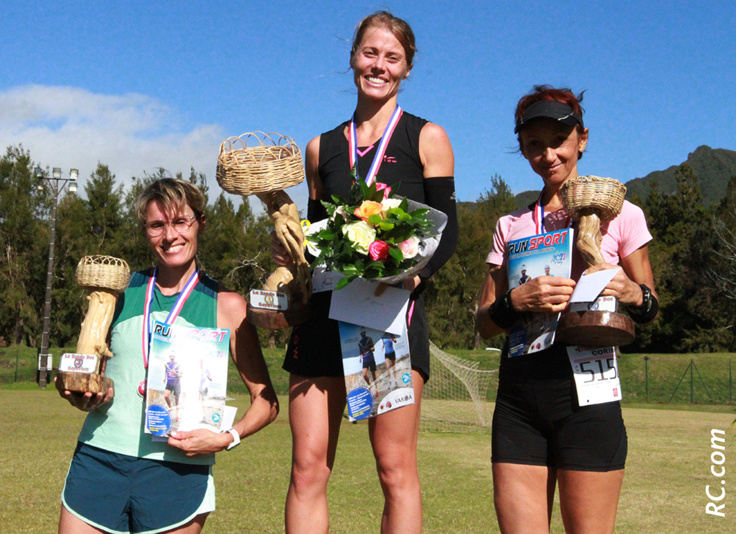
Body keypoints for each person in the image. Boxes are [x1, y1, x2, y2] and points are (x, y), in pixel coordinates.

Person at [275, 11, 458, 533]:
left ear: (407, 68)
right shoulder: (320, 148)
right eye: (370, 53)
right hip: (323, 318)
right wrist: (291, 254)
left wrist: (411, 278)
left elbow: (447, 233)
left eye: (392, 57)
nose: (379, 65)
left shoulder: (427, 137)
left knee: (394, 470)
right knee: (307, 469)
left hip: (388, 319)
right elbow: (314, 239)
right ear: (353, 56)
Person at [475, 85, 658, 534]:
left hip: (590, 394)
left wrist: (631, 292)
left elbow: (651, 305)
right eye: (534, 145)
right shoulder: (510, 225)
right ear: (522, 149)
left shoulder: (623, 215)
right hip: (519, 398)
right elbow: (483, 323)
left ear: (582, 139)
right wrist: (515, 301)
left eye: (558, 141)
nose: (548, 155)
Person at [56, 178, 279, 534]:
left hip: (178, 472)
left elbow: (266, 401)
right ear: (146, 231)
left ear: (200, 223)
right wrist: (82, 392)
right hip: (99, 459)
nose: (170, 235)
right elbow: (88, 371)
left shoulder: (228, 306)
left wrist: (226, 438)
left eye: (180, 222)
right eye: (157, 225)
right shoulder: (118, 291)